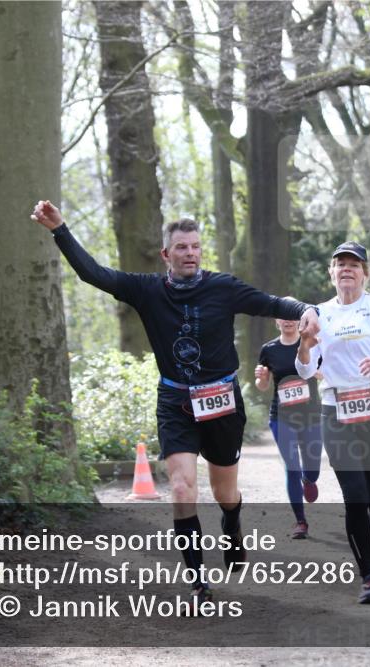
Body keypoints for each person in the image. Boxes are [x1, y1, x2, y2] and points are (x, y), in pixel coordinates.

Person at [30, 201, 319, 610]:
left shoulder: (223, 287)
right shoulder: (146, 290)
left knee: (225, 492)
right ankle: (198, 582)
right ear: (167, 254)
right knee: (182, 488)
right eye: (181, 247)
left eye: (196, 246)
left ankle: (232, 523)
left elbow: (272, 303)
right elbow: (94, 273)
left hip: (221, 401)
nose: (190, 253)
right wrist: (60, 229)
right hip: (175, 399)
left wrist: (306, 310)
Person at [294, 241, 370, 604]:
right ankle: (368, 578)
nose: (347, 269)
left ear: (365, 273)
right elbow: (304, 369)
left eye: (354, 264)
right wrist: (304, 344)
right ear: (331, 273)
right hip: (336, 412)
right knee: (354, 498)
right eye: (340, 264)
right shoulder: (319, 313)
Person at [255, 317, 323, 539]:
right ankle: (300, 521)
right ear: (277, 322)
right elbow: (262, 386)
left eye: (293, 318)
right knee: (291, 466)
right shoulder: (269, 349)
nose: (288, 322)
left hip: (311, 415)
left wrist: (314, 371)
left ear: (301, 322)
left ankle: (308, 479)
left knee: (312, 469)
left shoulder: (313, 343)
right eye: (283, 318)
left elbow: (324, 373)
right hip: (281, 417)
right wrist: (262, 379)